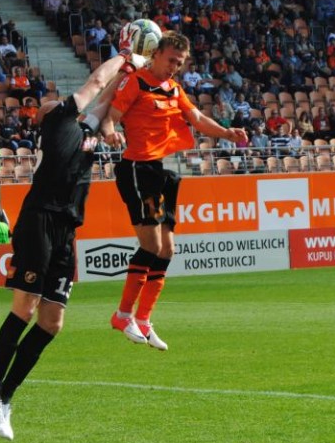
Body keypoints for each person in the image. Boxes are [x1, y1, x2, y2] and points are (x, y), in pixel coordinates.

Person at [0, 44, 136, 440]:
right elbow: (98, 81)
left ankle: (4, 398)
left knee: (52, 322)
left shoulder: (85, 128)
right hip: (39, 220)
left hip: (67, 229)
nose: (51, 102)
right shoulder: (60, 120)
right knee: (24, 308)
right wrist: (128, 55)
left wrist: (128, 78)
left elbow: (110, 93)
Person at [102, 31, 248, 350]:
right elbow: (111, 117)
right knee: (152, 245)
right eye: (171, 61)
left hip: (160, 171)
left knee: (168, 249)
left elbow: (195, 117)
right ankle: (122, 314)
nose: (174, 68)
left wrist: (226, 133)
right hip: (138, 168)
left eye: (179, 63)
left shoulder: (173, 88)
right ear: (156, 54)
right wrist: (111, 133)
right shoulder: (136, 82)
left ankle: (143, 319)